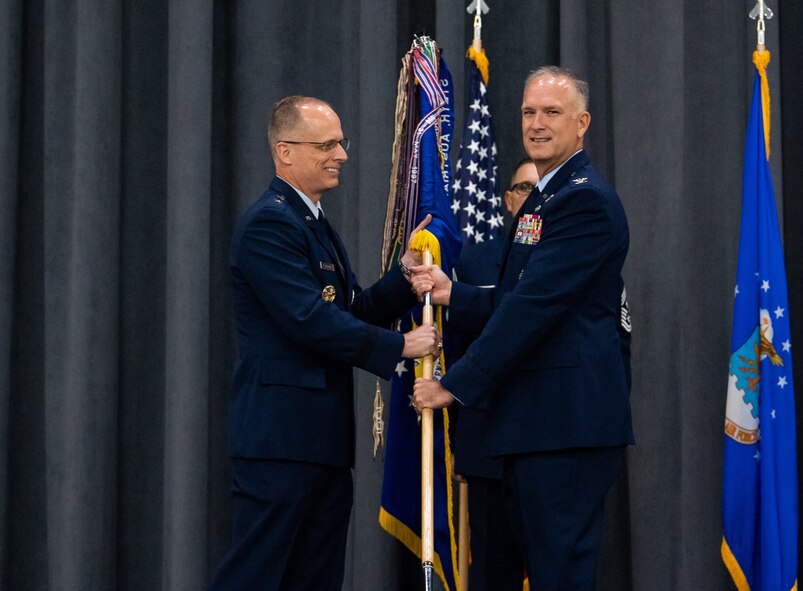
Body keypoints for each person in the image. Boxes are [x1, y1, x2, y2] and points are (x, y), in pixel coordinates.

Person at [411, 67, 633, 590]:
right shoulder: (543, 196)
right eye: (529, 112)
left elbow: (534, 306)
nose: (536, 124)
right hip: (537, 423)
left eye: (551, 113)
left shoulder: (584, 200)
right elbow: (519, 296)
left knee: (559, 576)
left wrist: (454, 384)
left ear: (582, 123)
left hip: (566, 424)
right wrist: (453, 293)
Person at [209, 95, 439, 591]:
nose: (342, 154)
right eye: (328, 144)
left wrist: (403, 278)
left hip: (322, 444)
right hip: (279, 443)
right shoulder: (269, 224)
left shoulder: (313, 222)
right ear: (286, 151)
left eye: (342, 142)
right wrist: (401, 348)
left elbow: (349, 309)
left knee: (314, 580)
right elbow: (308, 320)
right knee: (256, 577)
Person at [450, 157, 538, 590]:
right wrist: (461, 443)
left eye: (542, 190)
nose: (533, 199)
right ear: (507, 200)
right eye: (524, 189)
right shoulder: (474, 261)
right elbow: (462, 350)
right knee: (490, 573)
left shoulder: (578, 248)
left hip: (551, 442)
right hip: (489, 447)